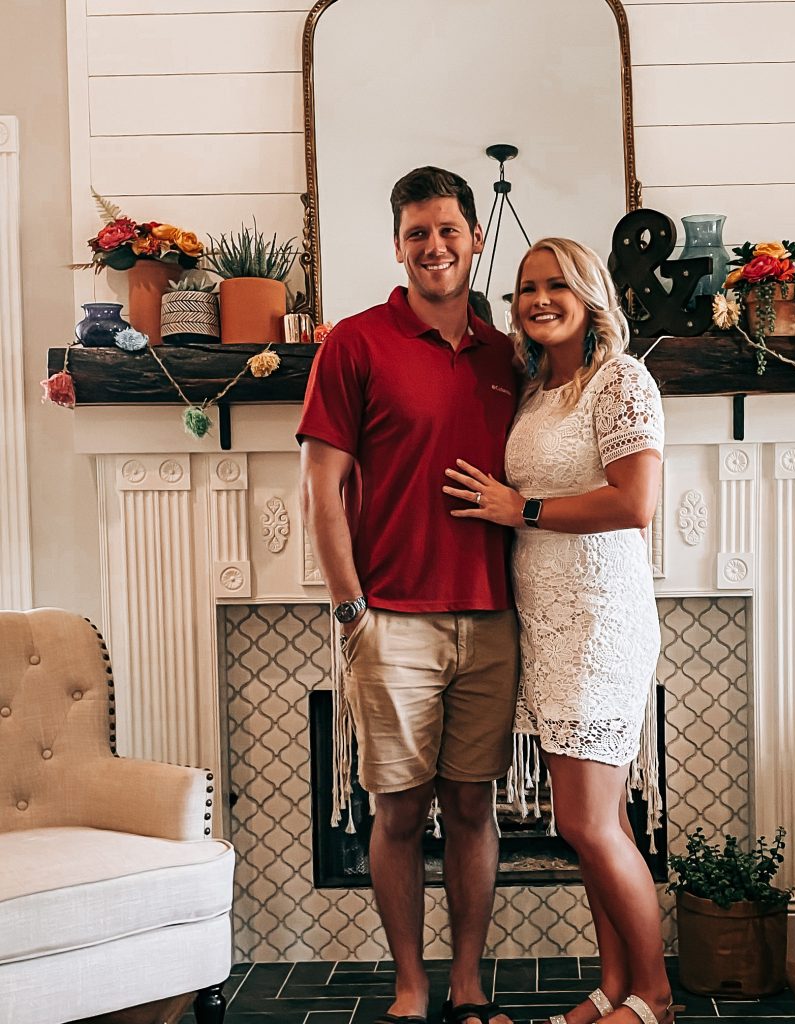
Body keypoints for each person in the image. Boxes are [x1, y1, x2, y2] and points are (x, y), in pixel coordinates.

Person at [297, 166, 519, 1024]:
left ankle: (466, 985)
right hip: (389, 618)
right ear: (398, 245)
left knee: (472, 803)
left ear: (473, 239)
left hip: (493, 617)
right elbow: (322, 489)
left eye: (450, 230)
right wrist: (351, 608)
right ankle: (410, 987)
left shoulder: (508, 355)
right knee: (398, 810)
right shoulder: (354, 344)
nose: (435, 246)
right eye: (418, 232)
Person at [443, 238, 671, 1024]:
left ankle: (656, 996)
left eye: (555, 285)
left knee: (583, 820)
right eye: (524, 289)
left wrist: (521, 509)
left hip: (601, 619)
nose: (538, 299)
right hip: (544, 623)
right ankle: (613, 989)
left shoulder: (621, 382)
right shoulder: (539, 392)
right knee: (591, 825)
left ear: (588, 292)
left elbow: (634, 503)